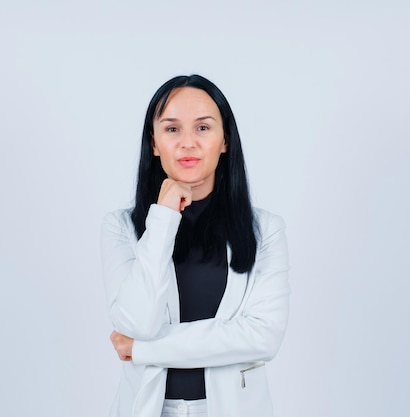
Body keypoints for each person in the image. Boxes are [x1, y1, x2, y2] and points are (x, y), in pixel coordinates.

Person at [101, 74, 290, 417]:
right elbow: (137, 325)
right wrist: (162, 219)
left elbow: (262, 338)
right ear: (154, 143)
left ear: (224, 141)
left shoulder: (265, 230)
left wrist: (142, 351)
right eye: (172, 129)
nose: (188, 143)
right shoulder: (121, 226)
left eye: (203, 128)